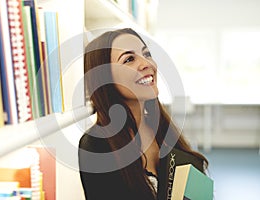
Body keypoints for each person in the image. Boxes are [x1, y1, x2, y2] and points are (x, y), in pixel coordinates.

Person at [78, 28, 208, 200]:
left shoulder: (160, 128)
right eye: (129, 59)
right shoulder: (96, 146)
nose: (147, 64)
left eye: (146, 54)